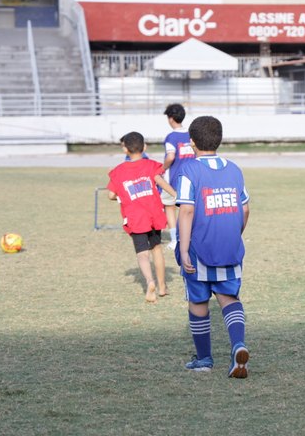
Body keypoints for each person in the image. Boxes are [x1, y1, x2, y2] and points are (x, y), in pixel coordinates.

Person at [175, 116, 250, 378]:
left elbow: (186, 209)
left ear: (192, 142)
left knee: (198, 302)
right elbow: (245, 207)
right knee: (229, 299)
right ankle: (238, 345)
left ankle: (205, 359)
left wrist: (184, 249)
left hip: (198, 247)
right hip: (229, 245)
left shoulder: (189, 170)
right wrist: (235, 232)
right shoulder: (234, 169)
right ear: (219, 139)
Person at [107, 132, 176, 302]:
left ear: (125, 149)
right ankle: (162, 287)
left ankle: (149, 281)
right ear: (144, 147)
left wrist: (122, 195)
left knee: (142, 254)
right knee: (157, 249)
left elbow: (110, 195)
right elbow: (161, 183)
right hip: (153, 214)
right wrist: (176, 194)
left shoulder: (118, 171)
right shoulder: (151, 165)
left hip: (135, 217)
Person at [162, 103, 195, 251]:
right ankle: (189, 237)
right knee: (188, 208)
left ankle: (175, 240)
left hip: (174, 179)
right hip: (192, 177)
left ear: (170, 119)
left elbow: (170, 157)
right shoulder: (191, 134)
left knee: (169, 208)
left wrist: (162, 169)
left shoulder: (171, 137)